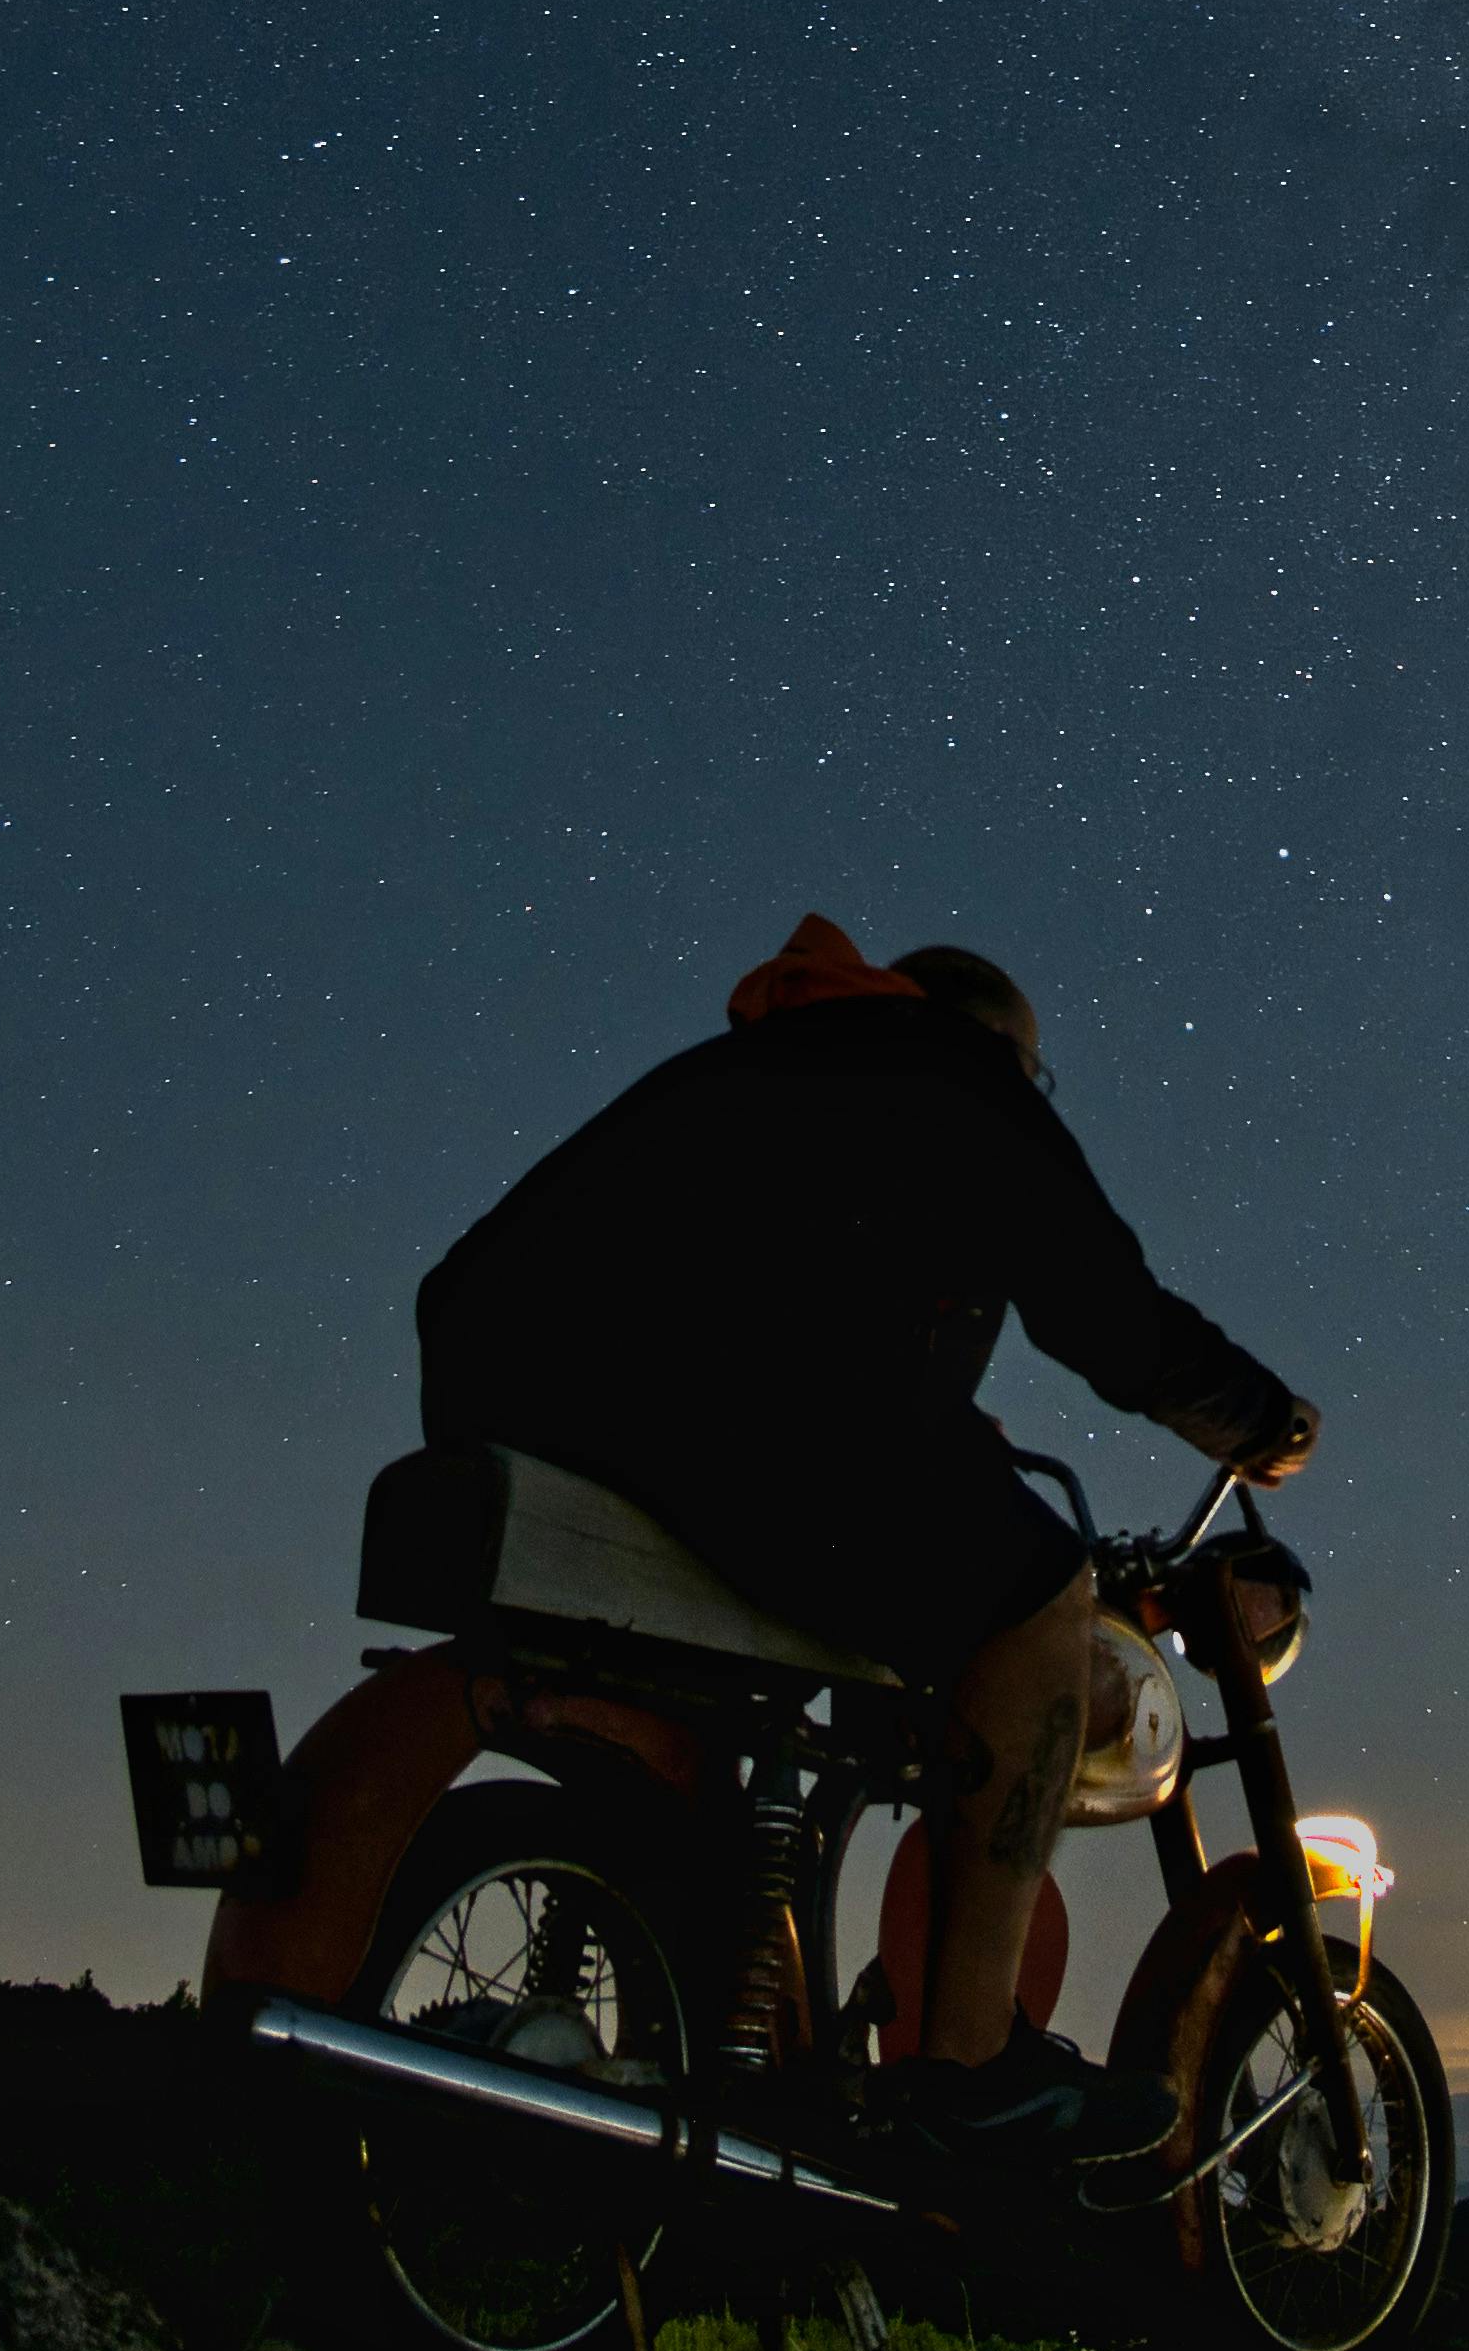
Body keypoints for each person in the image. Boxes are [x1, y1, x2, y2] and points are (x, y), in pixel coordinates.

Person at [417, 913, 1318, 2178]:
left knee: (845, 1619)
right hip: (715, 1405)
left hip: (499, 1384)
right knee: (1043, 1591)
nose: (1032, 1089)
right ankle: (968, 2066)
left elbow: (808, 1293)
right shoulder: (948, 1072)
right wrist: (1264, 1423)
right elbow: (1111, 1321)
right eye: (1036, 1069)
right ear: (999, 1045)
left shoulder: (763, 1075)